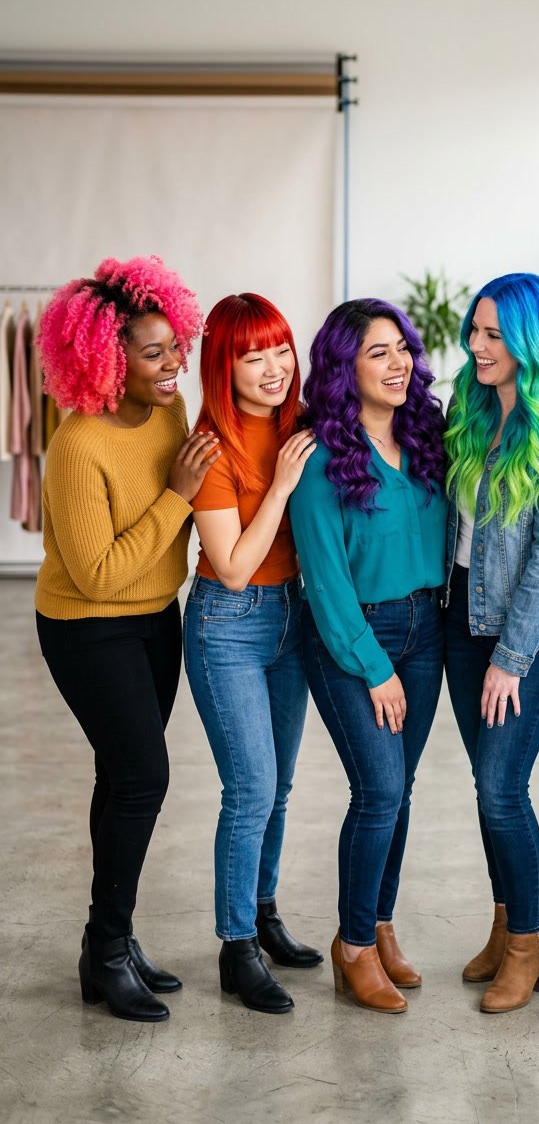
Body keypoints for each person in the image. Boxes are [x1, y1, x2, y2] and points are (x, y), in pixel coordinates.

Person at [35, 255, 217, 1023]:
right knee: (144, 776)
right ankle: (107, 949)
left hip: (154, 618)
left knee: (121, 776)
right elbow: (101, 574)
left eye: (175, 345)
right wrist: (178, 498)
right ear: (108, 360)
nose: (176, 362)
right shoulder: (77, 447)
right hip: (86, 626)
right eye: (154, 353)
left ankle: (110, 942)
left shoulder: (168, 410)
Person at [289, 299, 446, 1015]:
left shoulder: (425, 437)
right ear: (343, 366)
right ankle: (351, 944)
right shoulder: (323, 456)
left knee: (400, 791)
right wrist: (374, 667)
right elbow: (323, 581)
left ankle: (379, 925)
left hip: (426, 630)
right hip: (356, 639)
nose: (398, 363)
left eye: (402, 348)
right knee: (378, 790)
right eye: (378, 351)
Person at [443, 272, 539, 1014]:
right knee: (487, 787)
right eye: (475, 330)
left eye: (494, 334)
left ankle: (528, 944)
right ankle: (505, 925)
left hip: (531, 634)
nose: (477, 346)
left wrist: (511, 658)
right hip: (462, 623)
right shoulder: (468, 410)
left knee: (503, 788)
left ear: (531, 339)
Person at [182, 294, 321, 1015]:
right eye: (251, 356)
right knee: (251, 788)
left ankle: (264, 915)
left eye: (279, 349)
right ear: (222, 367)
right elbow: (232, 564)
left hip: (291, 621)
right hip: (228, 624)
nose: (272, 368)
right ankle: (236, 947)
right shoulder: (211, 445)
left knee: (282, 784)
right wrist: (285, 485)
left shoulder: (299, 424)